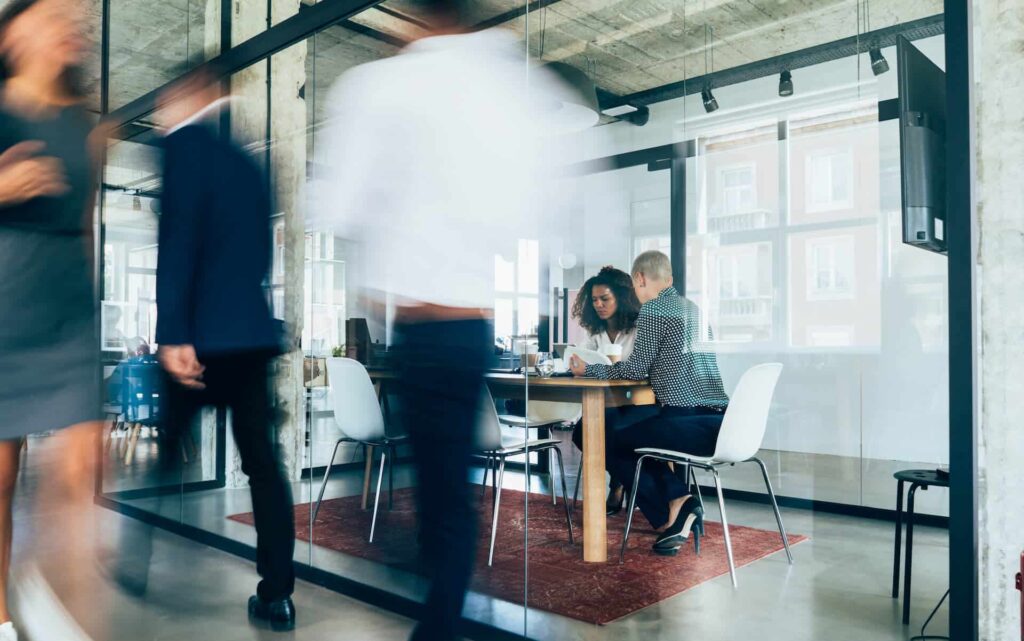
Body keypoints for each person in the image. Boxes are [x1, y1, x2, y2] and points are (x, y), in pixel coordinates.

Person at [320, 1, 562, 638]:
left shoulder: (386, 86)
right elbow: (535, 203)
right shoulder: (503, 86)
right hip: (471, 328)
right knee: (445, 493)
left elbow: (341, 202)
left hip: (421, 327)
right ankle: (441, 607)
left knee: (437, 493)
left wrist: (374, 278)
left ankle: (438, 617)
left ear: (417, 20)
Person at [154, 64, 296, 630]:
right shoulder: (249, 163)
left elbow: (178, 242)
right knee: (264, 465)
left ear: (193, 94)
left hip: (204, 337)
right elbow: (260, 252)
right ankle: (278, 595)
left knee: (171, 440)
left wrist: (172, 334)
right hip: (252, 334)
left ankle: (140, 566)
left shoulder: (183, 148)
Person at [0, 1, 104, 639]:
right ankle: (2, 614)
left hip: (66, 313)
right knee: (1, 478)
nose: (73, 22)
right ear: (15, 33)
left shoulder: (87, 127)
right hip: (1, 308)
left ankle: (54, 594)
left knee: (81, 469)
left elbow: (89, 226)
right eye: (56, 13)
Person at [570, 250, 730, 555]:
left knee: (605, 436)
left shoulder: (654, 310)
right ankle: (676, 508)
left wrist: (587, 369)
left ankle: (679, 502)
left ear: (639, 279)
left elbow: (634, 370)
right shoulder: (693, 308)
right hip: (719, 421)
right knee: (614, 432)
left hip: (686, 419)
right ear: (667, 278)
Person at [568, 265, 648, 515]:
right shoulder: (595, 332)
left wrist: (593, 368)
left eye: (605, 298)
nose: (599, 304)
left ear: (621, 298)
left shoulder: (639, 328)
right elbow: (581, 359)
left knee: (610, 429)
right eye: (594, 300)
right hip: (607, 404)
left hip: (640, 404)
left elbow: (639, 371)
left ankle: (618, 485)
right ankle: (621, 479)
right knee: (582, 432)